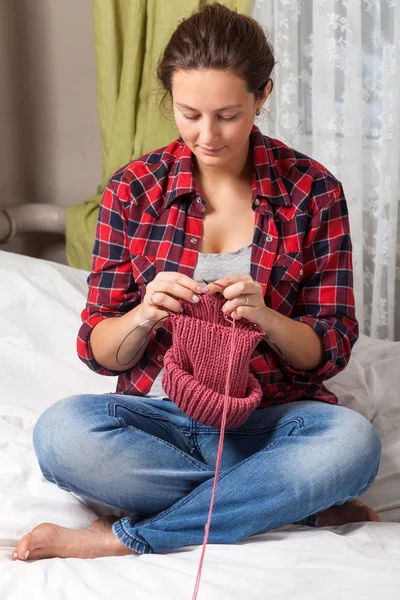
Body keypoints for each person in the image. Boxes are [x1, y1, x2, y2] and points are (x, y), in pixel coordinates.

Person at [12, 3, 381, 563]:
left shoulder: (314, 191)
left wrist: (269, 320)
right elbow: (98, 349)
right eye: (189, 114)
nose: (207, 135)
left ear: (263, 96)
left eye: (228, 115)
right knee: (61, 436)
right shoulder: (133, 191)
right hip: (160, 422)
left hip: (270, 419)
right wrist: (144, 316)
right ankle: (288, 499)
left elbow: (328, 351)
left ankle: (125, 537)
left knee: (351, 445)